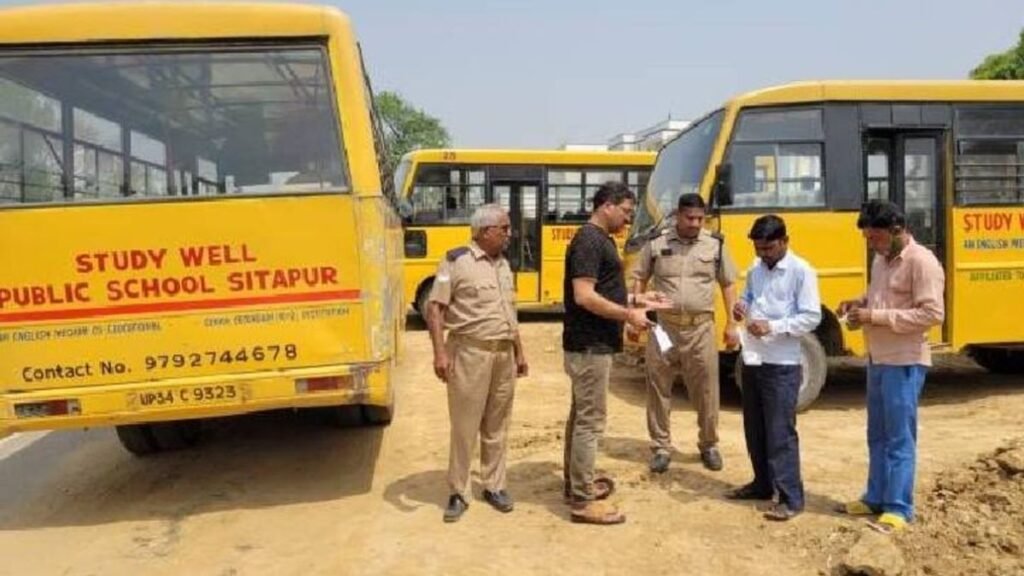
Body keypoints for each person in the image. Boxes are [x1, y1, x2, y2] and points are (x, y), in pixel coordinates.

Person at [562, 181, 668, 525]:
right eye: (624, 211)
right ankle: (581, 500)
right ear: (606, 205)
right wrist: (629, 315)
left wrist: (639, 300)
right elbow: (584, 296)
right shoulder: (589, 240)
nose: (627, 219)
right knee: (590, 423)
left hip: (593, 345)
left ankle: (577, 484)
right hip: (590, 346)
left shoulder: (600, 239)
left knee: (582, 418)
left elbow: (605, 289)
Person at [836, 200, 944, 534]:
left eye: (875, 238)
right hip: (878, 358)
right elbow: (879, 297)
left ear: (897, 230)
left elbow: (932, 314)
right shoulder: (881, 260)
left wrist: (875, 316)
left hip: (904, 360)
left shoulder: (922, 262)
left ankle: (899, 508)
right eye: (868, 239)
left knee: (899, 438)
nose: (871, 243)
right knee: (877, 435)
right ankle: (875, 497)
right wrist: (860, 303)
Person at [426, 203, 529, 523]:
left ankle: (494, 485)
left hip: (503, 354)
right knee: (464, 426)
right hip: (469, 353)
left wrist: (519, 351)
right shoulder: (455, 261)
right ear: (485, 231)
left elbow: (509, 313)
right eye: (505, 228)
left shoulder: (503, 265)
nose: (510, 234)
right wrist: (440, 353)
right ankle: (458, 491)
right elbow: (435, 309)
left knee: (497, 424)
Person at [631, 193, 740, 473]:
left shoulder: (714, 245)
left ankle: (709, 444)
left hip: (701, 328)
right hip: (663, 327)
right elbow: (639, 278)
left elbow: (728, 284)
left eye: (700, 219)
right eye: (689, 218)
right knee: (658, 388)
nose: (694, 224)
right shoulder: (657, 244)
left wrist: (732, 323)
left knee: (706, 390)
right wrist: (637, 315)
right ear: (678, 216)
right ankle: (661, 447)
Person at [728, 214, 821, 521]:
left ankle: (791, 498)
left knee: (780, 432)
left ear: (784, 242)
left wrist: (773, 327)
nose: (763, 254)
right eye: (758, 248)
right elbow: (749, 296)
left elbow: (811, 317)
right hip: (753, 360)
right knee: (755, 429)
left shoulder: (801, 271)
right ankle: (762, 484)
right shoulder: (756, 269)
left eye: (768, 248)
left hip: (782, 363)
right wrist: (741, 305)